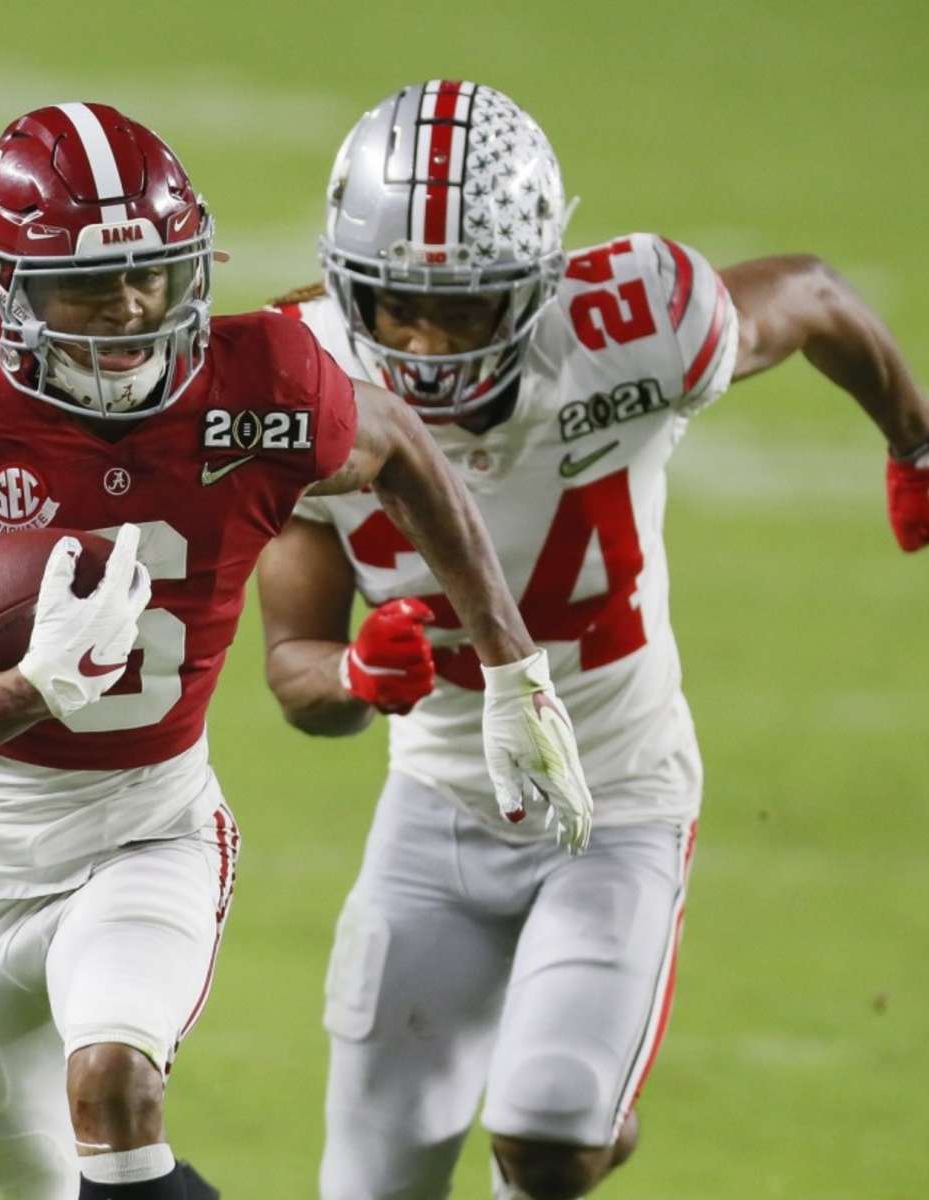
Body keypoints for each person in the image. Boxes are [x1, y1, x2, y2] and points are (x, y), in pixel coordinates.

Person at [0, 101, 594, 1200]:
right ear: (3, 290)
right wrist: (28, 686)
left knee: (116, 1086)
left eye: (153, 271)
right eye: (88, 283)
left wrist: (515, 670)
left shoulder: (261, 386)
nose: (132, 306)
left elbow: (401, 447)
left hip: (147, 829)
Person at [258, 80, 929, 1200]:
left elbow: (813, 293)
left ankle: (585, 1102)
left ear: (536, 283)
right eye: (396, 306)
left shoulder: (635, 327)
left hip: (616, 797)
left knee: (551, 1134)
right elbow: (293, 671)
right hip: (438, 806)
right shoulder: (302, 383)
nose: (424, 345)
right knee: (373, 1183)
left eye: (465, 309)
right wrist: (356, 675)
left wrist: (915, 439)